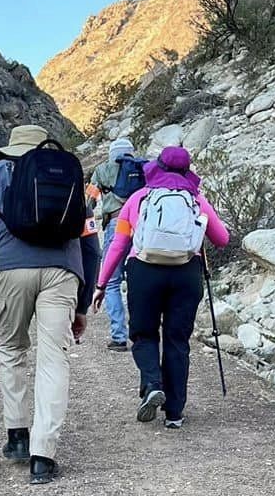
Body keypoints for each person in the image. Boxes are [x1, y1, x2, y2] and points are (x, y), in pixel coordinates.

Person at [0, 125, 101, 486]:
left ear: (11, 148)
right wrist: (82, 306)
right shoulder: (68, 174)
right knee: (53, 358)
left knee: (12, 349)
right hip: (62, 273)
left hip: (11, 270)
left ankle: (17, 436)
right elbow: (91, 245)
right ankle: (43, 456)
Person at [92, 145, 228, 431]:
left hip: (144, 272)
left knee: (144, 334)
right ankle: (175, 414)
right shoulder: (195, 200)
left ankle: (153, 384)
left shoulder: (138, 199)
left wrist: (102, 283)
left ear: (158, 168)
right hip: (186, 274)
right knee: (178, 341)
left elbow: (118, 245)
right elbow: (222, 239)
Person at [87, 137, 141, 351]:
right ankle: (141, 334)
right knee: (138, 281)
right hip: (141, 226)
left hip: (117, 226)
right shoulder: (143, 169)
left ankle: (119, 336)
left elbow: (88, 202)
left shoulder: (102, 170)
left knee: (111, 281)